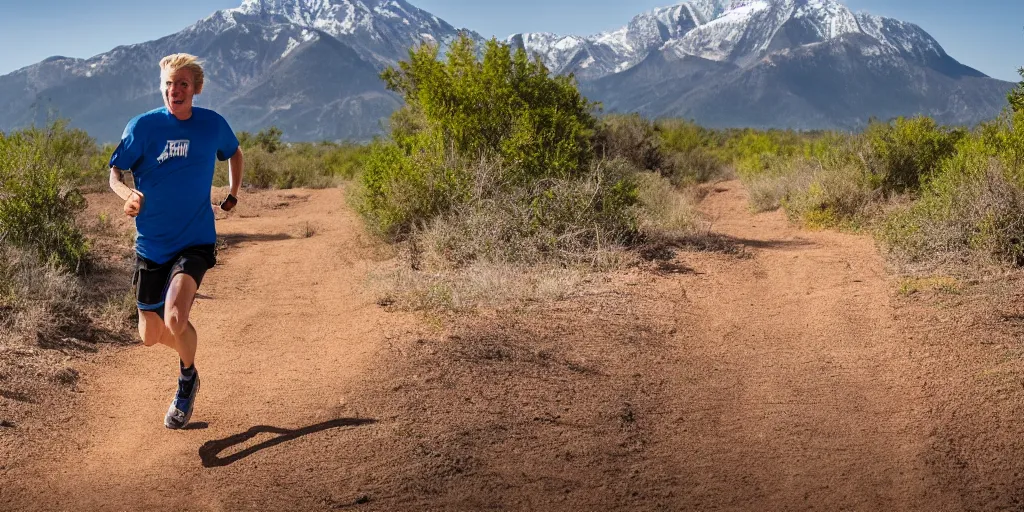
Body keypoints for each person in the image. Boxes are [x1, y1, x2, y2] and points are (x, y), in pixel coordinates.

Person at [108, 53, 244, 429]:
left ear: (195, 89)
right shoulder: (143, 127)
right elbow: (115, 173)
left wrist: (232, 193)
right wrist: (128, 196)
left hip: (195, 239)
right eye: (169, 83)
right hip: (152, 244)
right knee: (150, 335)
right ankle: (189, 361)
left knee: (175, 316)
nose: (175, 90)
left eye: (183, 83)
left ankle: (186, 379)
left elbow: (234, 151)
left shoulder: (212, 124)